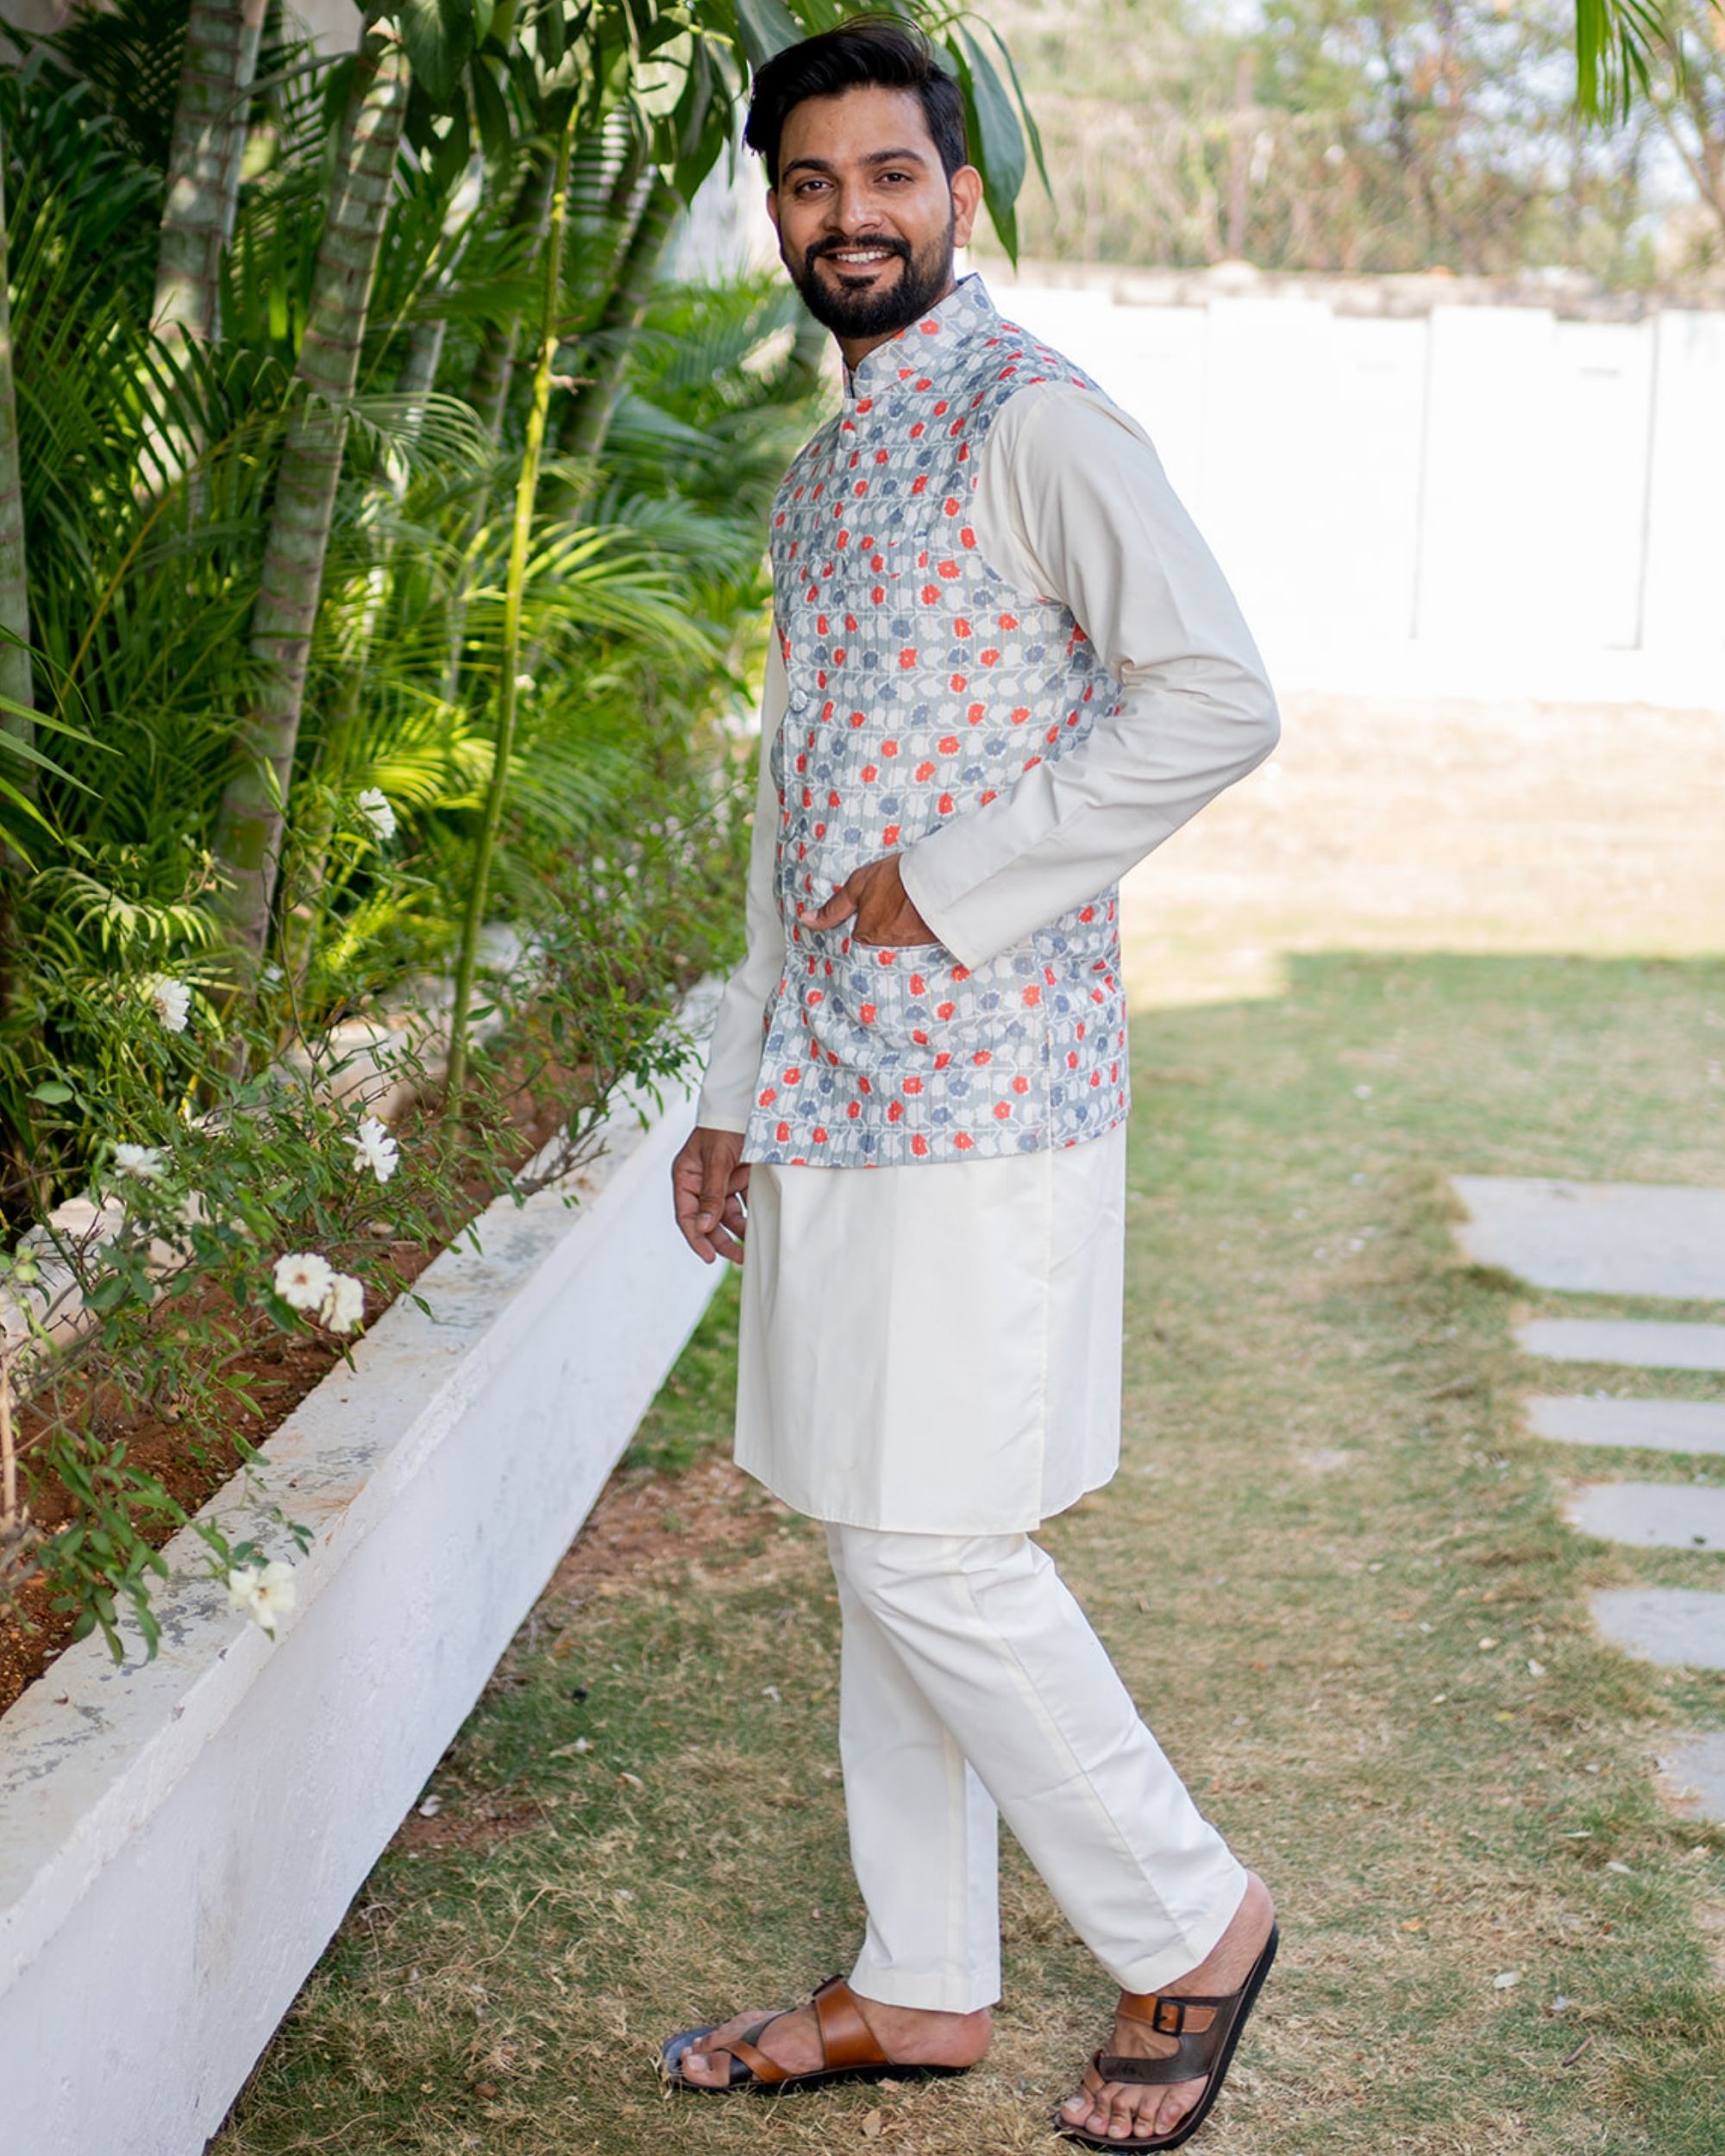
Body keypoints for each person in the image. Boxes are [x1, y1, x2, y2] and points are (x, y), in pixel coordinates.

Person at [664, 18, 1280, 2150]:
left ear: (961, 197)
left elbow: (1213, 693)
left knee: (935, 1541)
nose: (852, 216)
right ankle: (920, 1977)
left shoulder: (1036, 422)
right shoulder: (830, 466)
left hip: (992, 1085)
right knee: (877, 1528)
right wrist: (736, 1077)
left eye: (889, 178)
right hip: (833, 1090)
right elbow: (788, 807)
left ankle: (1189, 1916)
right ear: (782, 213)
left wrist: (954, 881)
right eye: (812, 184)